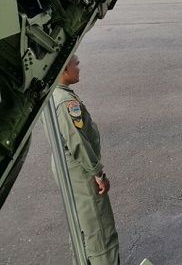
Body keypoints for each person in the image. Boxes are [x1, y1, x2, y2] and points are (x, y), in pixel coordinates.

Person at [52, 55, 120, 265]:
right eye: (76, 64)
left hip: (67, 168)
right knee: (100, 231)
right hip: (81, 171)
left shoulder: (54, 94)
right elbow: (78, 143)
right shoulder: (66, 102)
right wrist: (98, 174)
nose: (79, 68)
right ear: (64, 69)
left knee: (81, 225)